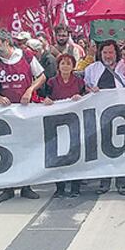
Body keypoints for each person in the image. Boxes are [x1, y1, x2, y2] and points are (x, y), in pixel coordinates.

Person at [0, 29, 46, 201]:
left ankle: (26, 186)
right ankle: (7, 187)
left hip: (25, 111)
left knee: (26, 148)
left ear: (6, 42)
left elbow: (41, 76)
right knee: (7, 148)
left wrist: (30, 90)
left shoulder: (26, 56)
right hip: (6, 113)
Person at [84, 40, 125, 195]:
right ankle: (104, 182)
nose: (108, 55)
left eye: (111, 52)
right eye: (105, 52)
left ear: (116, 53)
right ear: (100, 53)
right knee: (103, 149)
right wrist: (90, 90)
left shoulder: (124, 66)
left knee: (123, 149)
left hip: (123, 114)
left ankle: (122, 183)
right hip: (101, 115)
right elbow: (85, 86)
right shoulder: (92, 69)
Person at [43, 53, 87, 197]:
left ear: (73, 66)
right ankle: (60, 188)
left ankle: (75, 187)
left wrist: (81, 97)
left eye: (68, 63)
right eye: (63, 63)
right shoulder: (51, 82)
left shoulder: (79, 81)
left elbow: (87, 97)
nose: (65, 66)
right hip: (57, 122)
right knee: (58, 155)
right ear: (58, 66)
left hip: (75, 122)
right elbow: (45, 97)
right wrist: (47, 100)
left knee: (75, 154)